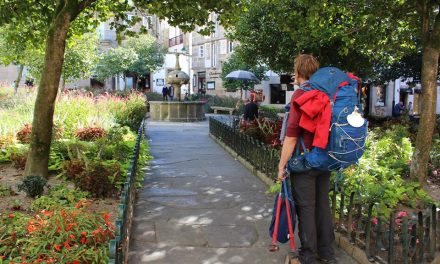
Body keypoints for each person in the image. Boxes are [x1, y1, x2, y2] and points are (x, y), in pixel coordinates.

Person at [277, 54, 336, 264]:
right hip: (325, 159)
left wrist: (281, 165)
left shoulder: (301, 95)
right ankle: (327, 254)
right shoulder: (327, 94)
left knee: (307, 208)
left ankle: (309, 255)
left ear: (299, 72)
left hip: (304, 162)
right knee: (322, 207)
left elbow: (292, 136)